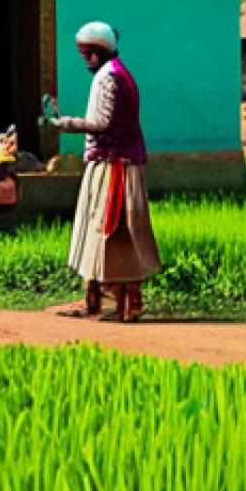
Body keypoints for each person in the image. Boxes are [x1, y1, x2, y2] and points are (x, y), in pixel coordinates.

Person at [44, 21, 162, 323]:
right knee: (101, 231)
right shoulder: (117, 74)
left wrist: (62, 124)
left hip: (114, 165)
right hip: (112, 162)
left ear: (96, 52)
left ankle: (122, 304)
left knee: (112, 231)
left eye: (87, 54)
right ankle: (100, 301)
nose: (86, 60)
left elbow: (101, 123)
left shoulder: (109, 78)